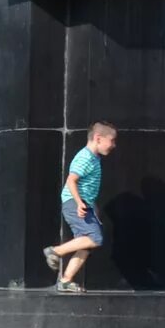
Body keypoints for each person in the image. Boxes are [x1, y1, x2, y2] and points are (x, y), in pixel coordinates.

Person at [43, 123, 117, 291]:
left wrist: (91, 207)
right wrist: (79, 203)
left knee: (85, 245)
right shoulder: (85, 157)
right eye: (111, 141)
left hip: (82, 204)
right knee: (95, 238)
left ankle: (66, 281)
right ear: (98, 138)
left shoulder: (93, 158)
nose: (113, 145)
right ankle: (54, 251)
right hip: (74, 203)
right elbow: (71, 180)